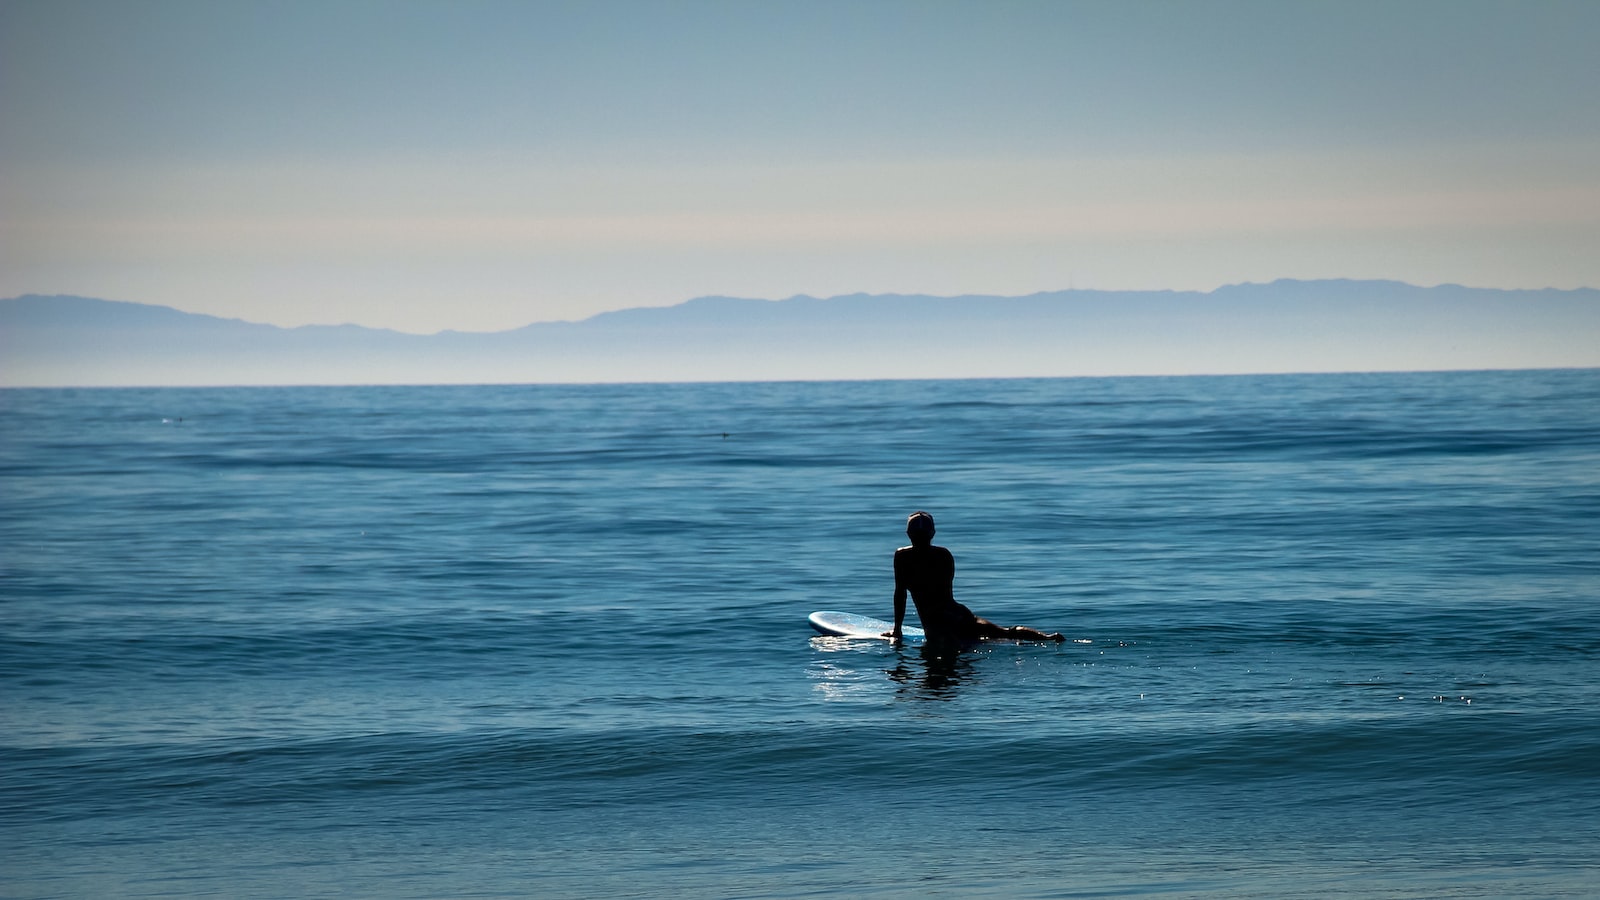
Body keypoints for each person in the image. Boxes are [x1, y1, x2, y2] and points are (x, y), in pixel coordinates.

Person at [887, 511, 1065, 645]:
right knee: (1005, 633)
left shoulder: (902, 557)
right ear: (932, 533)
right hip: (959, 614)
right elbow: (944, 593)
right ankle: (1049, 638)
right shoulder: (943, 555)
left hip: (938, 625)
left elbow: (900, 595)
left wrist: (897, 630)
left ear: (908, 534)